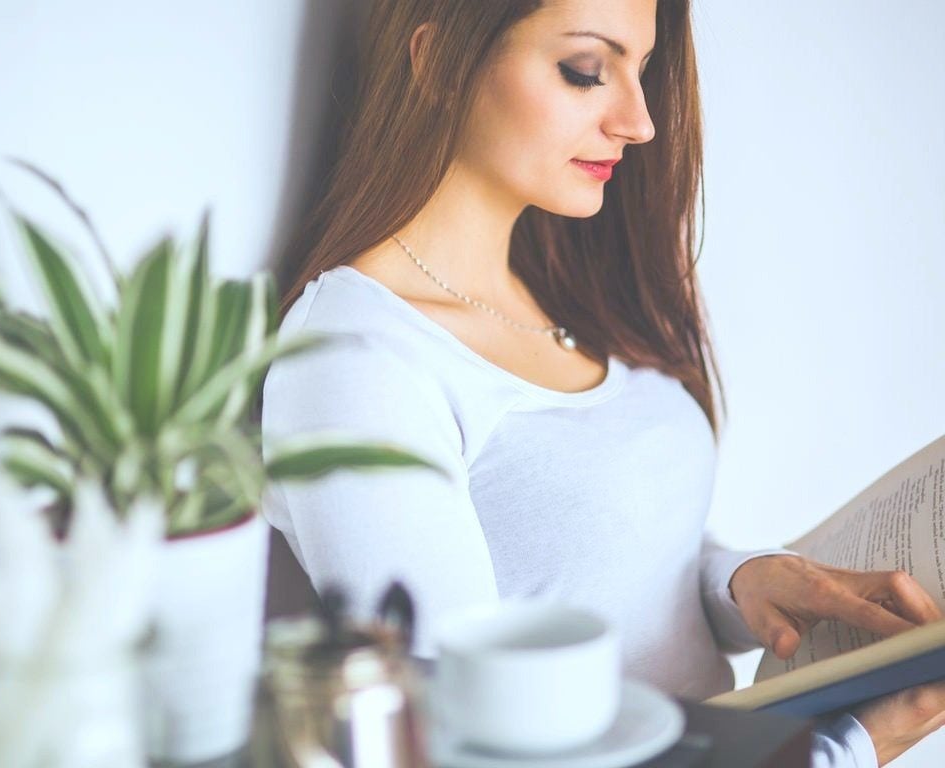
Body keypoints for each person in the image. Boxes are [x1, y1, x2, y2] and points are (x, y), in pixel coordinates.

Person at [259, 1, 945, 764]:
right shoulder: (357, 358)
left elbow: (586, 560)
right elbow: (460, 738)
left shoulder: (556, 291)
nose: (640, 121)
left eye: (643, 71)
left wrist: (738, 583)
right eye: (587, 71)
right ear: (438, 65)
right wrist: (842, 751)